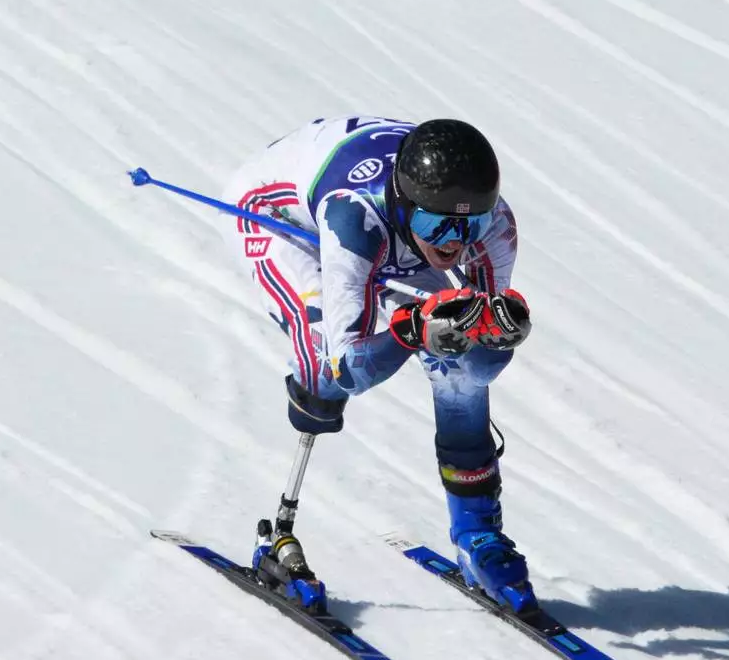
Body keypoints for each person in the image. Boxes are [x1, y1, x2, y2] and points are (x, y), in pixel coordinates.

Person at [219, 116, 535, 614]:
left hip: (395, 236)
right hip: (285, 221)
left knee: (455, 363)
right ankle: (279, 533)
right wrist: (411, 331)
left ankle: (478, 534)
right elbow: (350, 367)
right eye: (440, 225)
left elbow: (479, 363)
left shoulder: (494, 225)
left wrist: (495, 340)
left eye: (468, 225)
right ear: (406, 203)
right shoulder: (355, 217)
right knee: (321, 371)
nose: (454, 242)